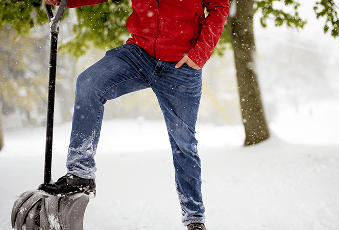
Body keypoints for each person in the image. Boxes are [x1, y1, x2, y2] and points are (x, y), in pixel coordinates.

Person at [40, 0, 230, 229]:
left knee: (184, 143)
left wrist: (199, 54)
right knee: (89, 84)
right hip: (139, 53)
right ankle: (80, 174)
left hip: (181, 65)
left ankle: (194, 219)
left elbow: (219, 6)